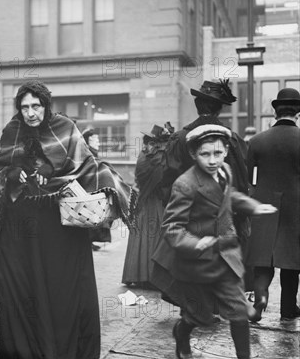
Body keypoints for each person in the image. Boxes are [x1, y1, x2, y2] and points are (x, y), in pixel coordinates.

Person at [0, 81, 133, 359]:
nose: (30, 113)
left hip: (61, 224)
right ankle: (28, 351)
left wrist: (59, 180)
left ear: (46, 105)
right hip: (22, 225)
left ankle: (67, 351)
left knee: (60, 286)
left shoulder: (65, 127)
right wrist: (17, 174)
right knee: (27, 285)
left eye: (36, 106)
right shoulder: (11, 131)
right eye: (25, 107)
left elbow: (87, 166)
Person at [162, 124, 276, 359]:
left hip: (227, 257)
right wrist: (195, 243)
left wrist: (253, 206)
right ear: (194, 154)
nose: (212, 160)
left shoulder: (224, 170)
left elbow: (229, 196)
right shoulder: (185, 185)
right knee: (200, 317)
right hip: (197, 265)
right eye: (205, 154)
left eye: (218, 152)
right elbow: (171, 228)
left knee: (238, 312)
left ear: (226, 151)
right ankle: (182, 333)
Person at [152, 79, 253, 302]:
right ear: (220, 108)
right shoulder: (230, 139)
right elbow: (240, 178)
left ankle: (193, 308)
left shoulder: (179, 137)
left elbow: (168, 176)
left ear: (198, 106)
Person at [246, 87, 300, 322]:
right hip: (296, 206)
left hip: (264, 204)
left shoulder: (256, 141)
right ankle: (288, 309)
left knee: (263, 256)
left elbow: (249, 178)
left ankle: (260, 299)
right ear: (297, 113)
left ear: (275, 113)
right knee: (291, 258)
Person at [122, 123, 173, 287]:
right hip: (156, 201)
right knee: (154, 236)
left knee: (142, 237)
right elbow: (164, 180)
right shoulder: (157, 159)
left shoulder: (144, 156)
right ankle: (152, 276)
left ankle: (138, 274)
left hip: (143, 202)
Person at [81, 128, 112, 249]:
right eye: (95, 140)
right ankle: (88, 241)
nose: (98, 142)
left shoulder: (92, 152)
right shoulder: (88, 153)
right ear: (88, 141)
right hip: (89, 188)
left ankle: (90, 241)